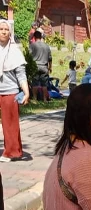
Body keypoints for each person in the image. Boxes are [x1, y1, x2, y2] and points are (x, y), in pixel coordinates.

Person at [0, 19, 30, 163]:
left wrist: (26, 92)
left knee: (10, 123)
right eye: (1, 29)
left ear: (10, 33)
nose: (4, 31)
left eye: (6, 29)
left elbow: (21, 75)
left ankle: (11, 152)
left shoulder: (15, 52)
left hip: (10, 92)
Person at [29, 30, 52, 102]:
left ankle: (35, 99)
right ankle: (45, 99)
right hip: (44, 67)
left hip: (35, 66)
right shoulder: (46, 46)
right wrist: (50, 67)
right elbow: (50, 58)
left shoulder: (32, 45)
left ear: (34, 37)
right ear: (41, 37)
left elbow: (29, 56)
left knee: (35, 83)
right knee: (44, 85)